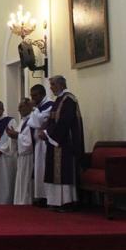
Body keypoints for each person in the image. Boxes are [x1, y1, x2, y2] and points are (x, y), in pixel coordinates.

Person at [41, 75, 84, 211]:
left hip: (64, 143)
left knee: (64, 172)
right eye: (51, 85)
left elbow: (65, 121)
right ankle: (55, 201)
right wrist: (46, 131)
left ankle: (66, 201)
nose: (51, 88)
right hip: (55, 141)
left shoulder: (69, 100)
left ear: (61, 85)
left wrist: (48, 134)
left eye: (53, 85)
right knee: (53, 171)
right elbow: (52, 120)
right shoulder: (59, 100)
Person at [28, 83, 53, 207]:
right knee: (39, 170)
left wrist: (34, 109)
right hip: (38, 143)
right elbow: (31, 123)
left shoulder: (49, 105)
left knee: (44, 170)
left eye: (35, 96)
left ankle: (48, 197)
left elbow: (38, 122)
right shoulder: (40, 107)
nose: (33, 99)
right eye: (31, 96)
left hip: (46, 143)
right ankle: (41, 196)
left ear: (42, 94)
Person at [12, 98, 35, 205]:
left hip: (29, 155)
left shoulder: (32, 120)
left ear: (29, 107)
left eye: (21, 106)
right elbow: (20, 135)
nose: (19, 109)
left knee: (26, 180)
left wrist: (16, 135)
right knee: (21, 179)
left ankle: (26, 201)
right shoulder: (23, 121)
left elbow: (29, 141)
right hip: (22, 156)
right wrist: (13, 135)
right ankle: (20, 201)